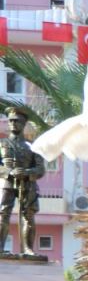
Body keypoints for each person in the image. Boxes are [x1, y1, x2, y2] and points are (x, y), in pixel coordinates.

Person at [0, 106, 46, 256]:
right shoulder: (2, 143)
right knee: (3, 213)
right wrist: (10, 172)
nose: (13, 123)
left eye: (17, 121)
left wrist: (26, 172)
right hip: (7, 183)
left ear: (24, 123)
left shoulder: (32, 146)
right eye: (11, 120)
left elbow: (41, 169)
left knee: (28, 215)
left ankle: (28, 249)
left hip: (27, 184)